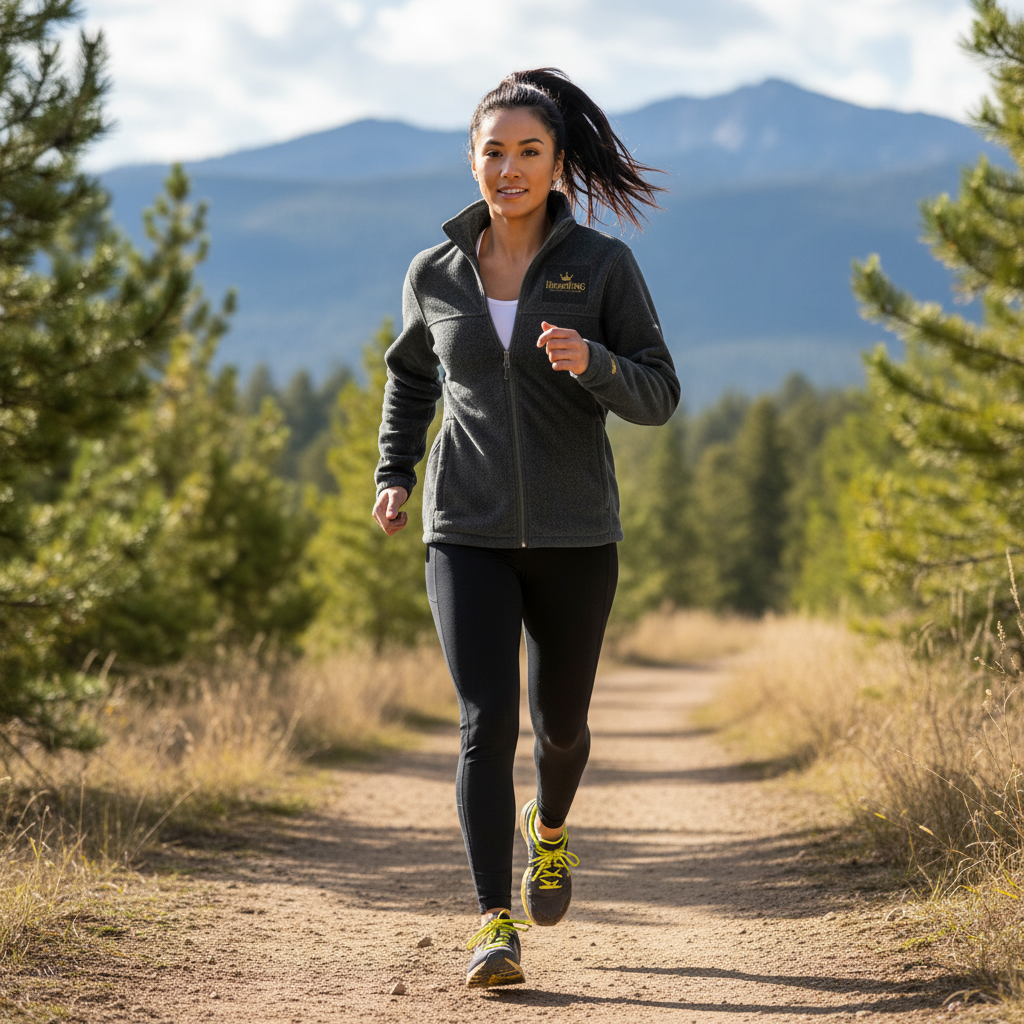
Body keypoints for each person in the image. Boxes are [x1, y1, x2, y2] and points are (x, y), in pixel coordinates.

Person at [372, 68, 679, 989]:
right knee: (483, 725)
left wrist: (595, 363)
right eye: (493, 151)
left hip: (577, 533)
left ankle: (550, 831)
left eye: (528, 153)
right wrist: (394, 472)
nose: (508, 168)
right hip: (464, 527)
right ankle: (492, 924)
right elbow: (412, 379)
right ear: (472, 159)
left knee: (564, 729)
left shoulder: (602, 266)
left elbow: (660, 394)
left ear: (556, 165)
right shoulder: (434, 273)